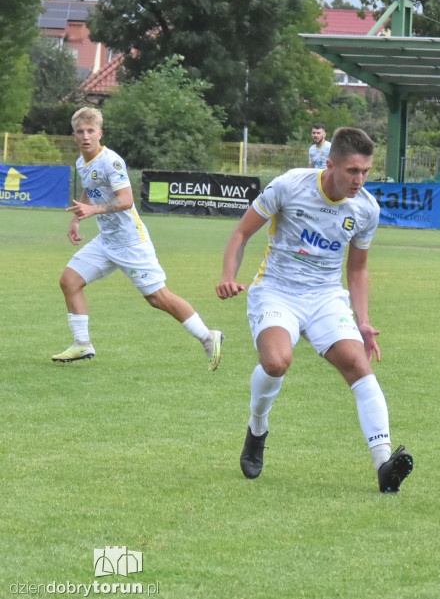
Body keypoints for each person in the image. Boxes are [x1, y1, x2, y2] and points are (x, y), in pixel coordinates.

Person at [216, 126, 414, 492]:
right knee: (276, 362)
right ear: (331, 163)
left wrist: (364, 321)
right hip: (277, 291)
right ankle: (257, 428)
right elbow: (241, 233)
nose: (360, 180)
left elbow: (357, 269)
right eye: (352, 171)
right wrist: (229, 276)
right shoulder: (290, 186)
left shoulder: (366, 208)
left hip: (325, 296)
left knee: (358, 364)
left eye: (366, 171)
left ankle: (384, 464)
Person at [52, 107, 223, 370]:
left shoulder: (111, 161)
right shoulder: (80, 162)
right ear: (74, 136)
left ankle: (208, 336)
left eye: (90, 131)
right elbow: (90, 191)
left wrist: (94, 210)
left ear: (100, 133)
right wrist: (77, 218)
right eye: (80, 132)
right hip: (106, 241)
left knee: (158, 299)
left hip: (131, 242)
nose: (85, 136)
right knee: (69, 281)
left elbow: (127, 200)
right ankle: (82, 343)